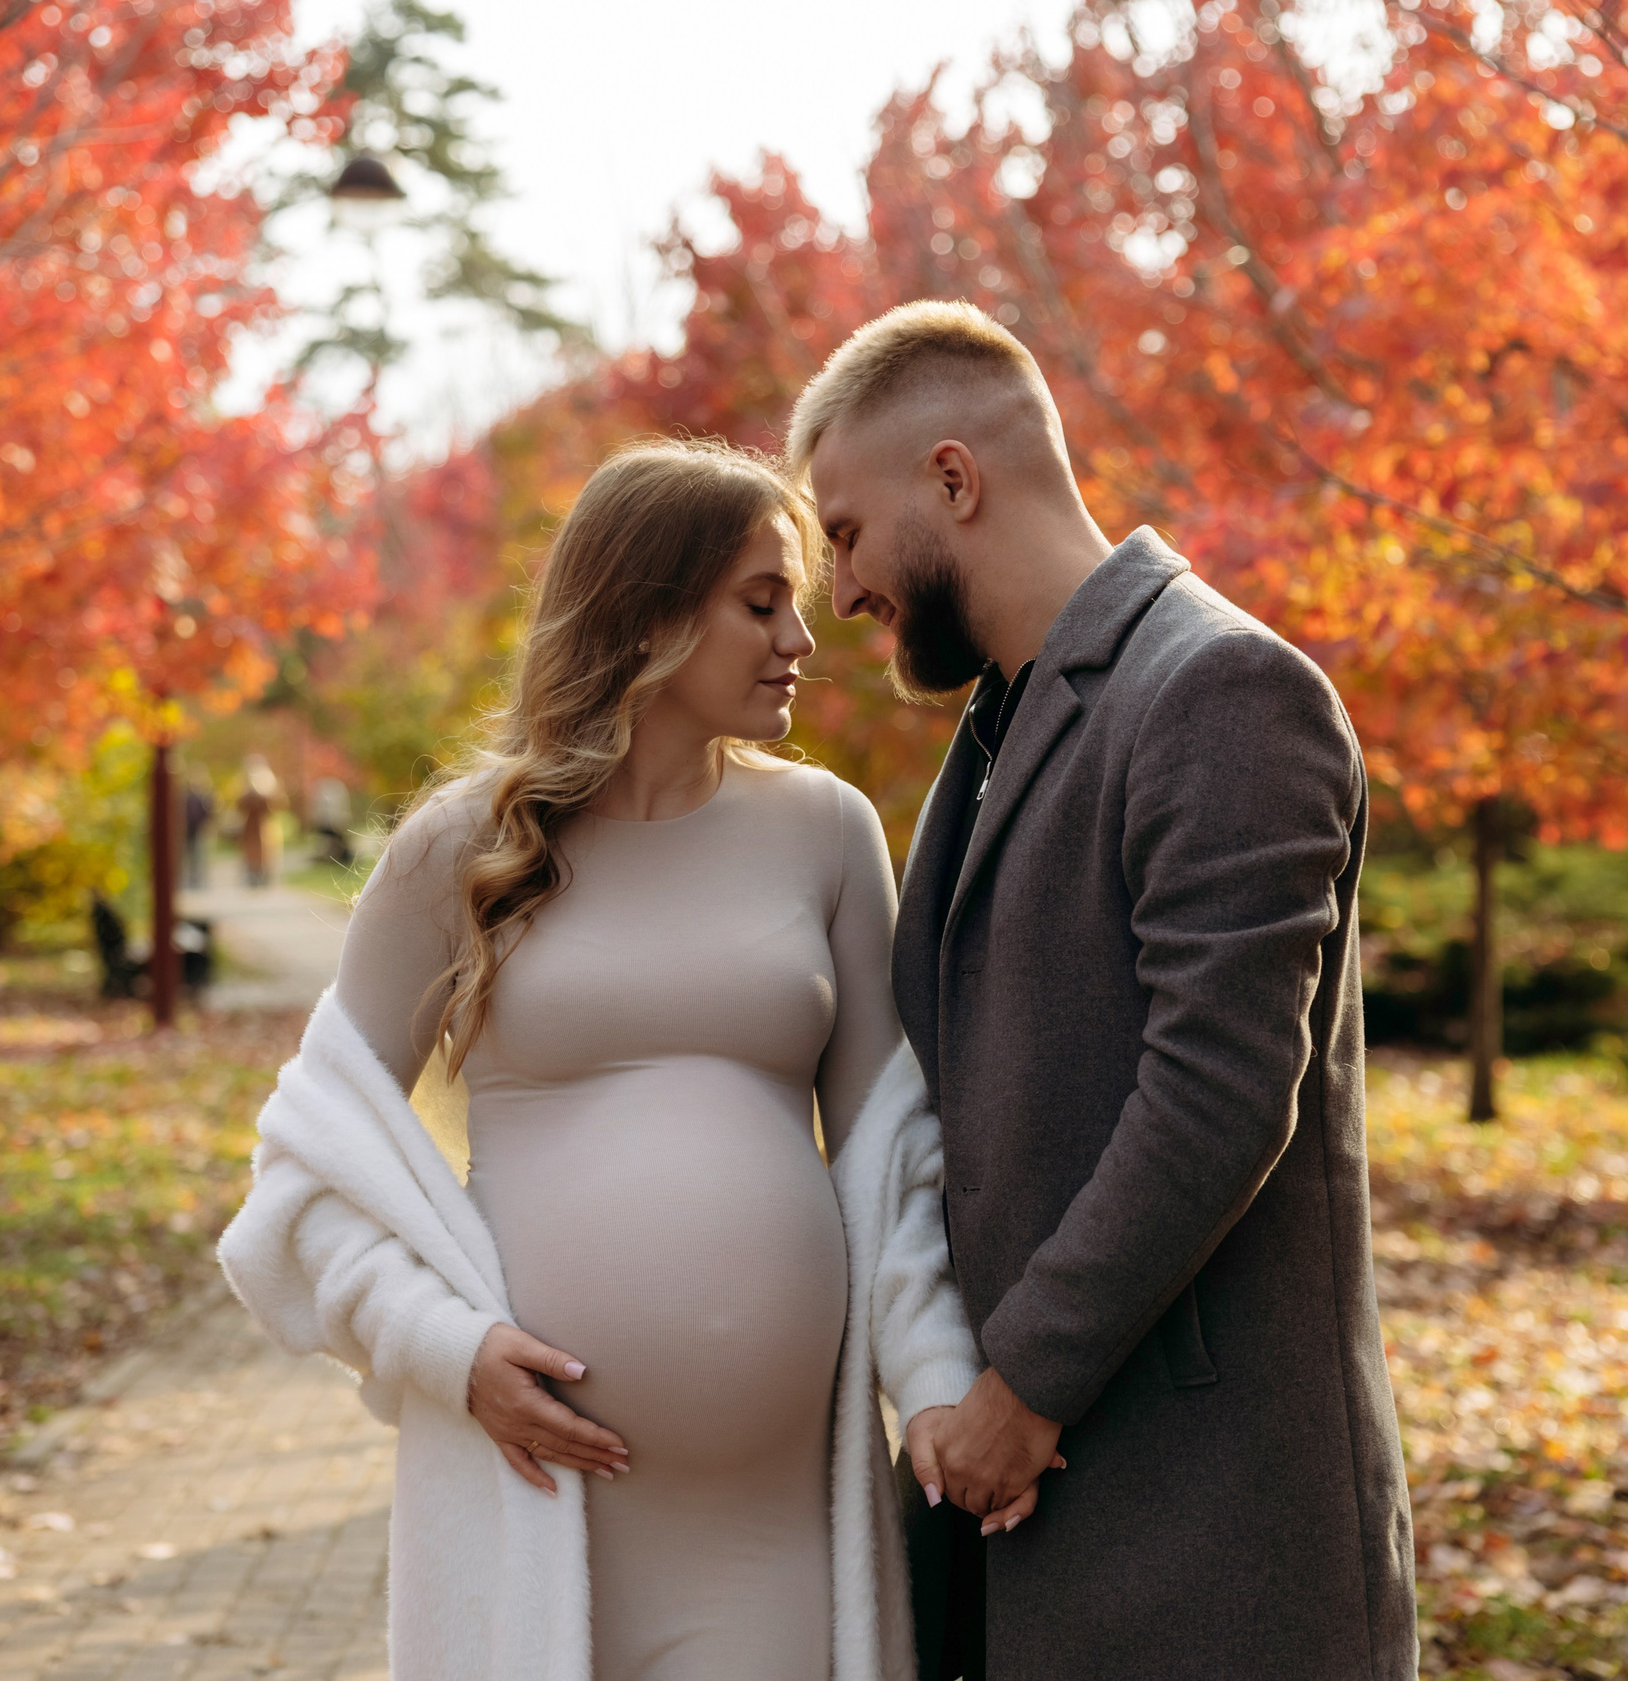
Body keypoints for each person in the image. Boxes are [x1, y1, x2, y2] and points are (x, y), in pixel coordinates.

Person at [219, 440, 990, 1681]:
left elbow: (894, 1158)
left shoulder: (827, 834)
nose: (801, 636)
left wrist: (943, 1384)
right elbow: (300, 1181)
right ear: (644, 617)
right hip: (535, 1514)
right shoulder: (459, 850)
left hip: (771, 1532)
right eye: (759, 601)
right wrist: (443, 1349)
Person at [793, 301, 1416, 1680]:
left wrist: (1021, 1388)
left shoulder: (1224, 689)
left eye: (843, 532)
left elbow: (1221, 1089)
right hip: (1041, 1530)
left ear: (953, 479)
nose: (839, 592)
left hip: (1212, 1529)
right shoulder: (998, 733)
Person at [238, 755, 286, 887]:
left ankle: (264, 876)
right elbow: (241, 805)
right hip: (252, 828)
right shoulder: (248, 789)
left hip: (264, 828)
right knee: (252, 854)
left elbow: (275, 806)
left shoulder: (267, 785)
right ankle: (253, 876)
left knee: (266, 854)